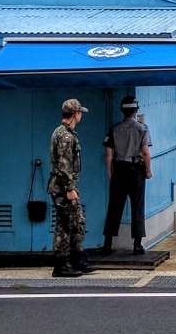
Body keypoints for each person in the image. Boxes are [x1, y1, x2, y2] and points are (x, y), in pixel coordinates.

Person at [48, 98, 96, 277]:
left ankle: (77, 259)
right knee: (64, 224)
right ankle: (61, 265)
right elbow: (64, 164)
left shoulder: (62, 132)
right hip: (63, 188)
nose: (81, 115)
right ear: (76, 114)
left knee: (77, 221)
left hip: (66, 186)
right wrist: (69, 188)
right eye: (80, 112)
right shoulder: (66, 136)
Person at [100, 94, 152, 253]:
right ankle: (137, 244)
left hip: (119, 171)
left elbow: (108, 154)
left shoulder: (114, 128)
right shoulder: (142, 129)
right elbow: (145, 152)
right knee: (137, 206)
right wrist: (148, 170)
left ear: (122, 110)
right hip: (136, 171)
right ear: (136, 111)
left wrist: (110, 172)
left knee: (114, 207)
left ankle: (107, 243)